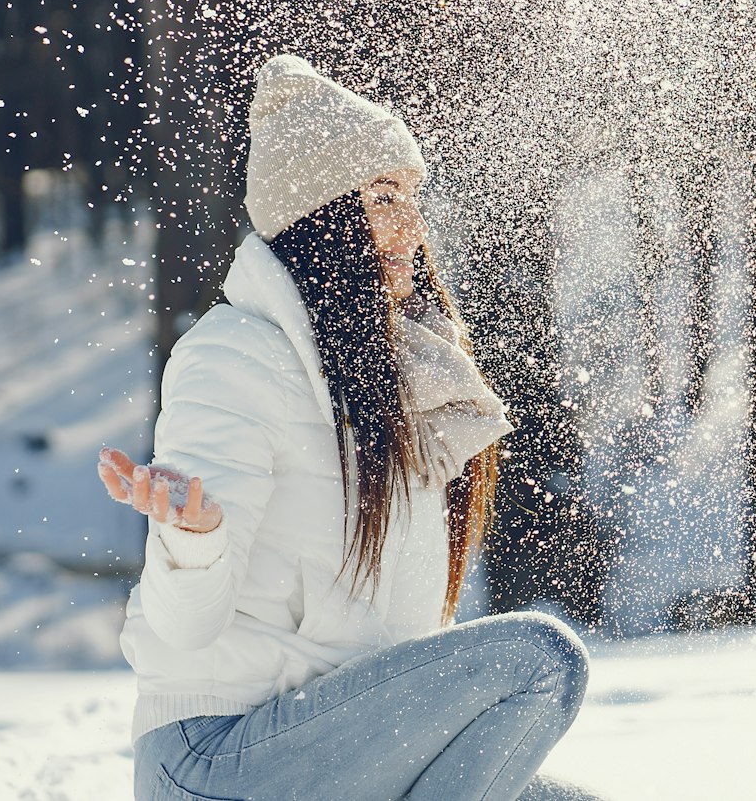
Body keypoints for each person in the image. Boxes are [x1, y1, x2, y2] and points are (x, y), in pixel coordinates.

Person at [99, 53, 600, 801]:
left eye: (414, 197)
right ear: (320, 215)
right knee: (541, 659)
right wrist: (192, 540)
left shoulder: (391, 388)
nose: (414, 225)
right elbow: (182, 629)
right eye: (384, 196)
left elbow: (394, 649)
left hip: (326, 755)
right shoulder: (235, 354)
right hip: (217, 761)